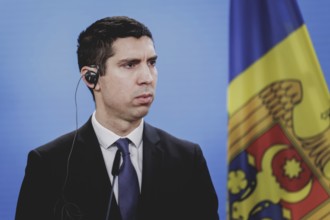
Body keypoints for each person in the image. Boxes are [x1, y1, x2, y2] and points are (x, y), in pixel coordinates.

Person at [15, 16, 219, 220]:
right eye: (130, 65)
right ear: (91, 78)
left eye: (152, 62)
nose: (147, 77)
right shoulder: (49, 165)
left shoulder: (187, 159)